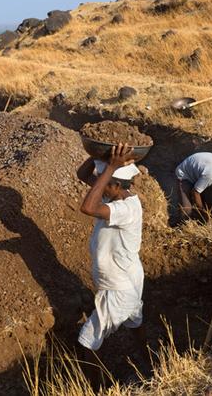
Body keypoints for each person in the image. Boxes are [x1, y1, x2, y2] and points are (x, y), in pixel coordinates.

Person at [76, 144, 147, 384]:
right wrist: (98, 155)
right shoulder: (117, 195)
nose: (97, 181)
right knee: (134, 321)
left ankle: (97, 388)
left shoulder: (125, 209)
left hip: (119, 288)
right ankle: (147, 361)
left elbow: (87, 207)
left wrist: (112, 166)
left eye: (104, 179)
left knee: (86, 342)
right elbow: (82, 175)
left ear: (116, 185)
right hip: (130, 278)